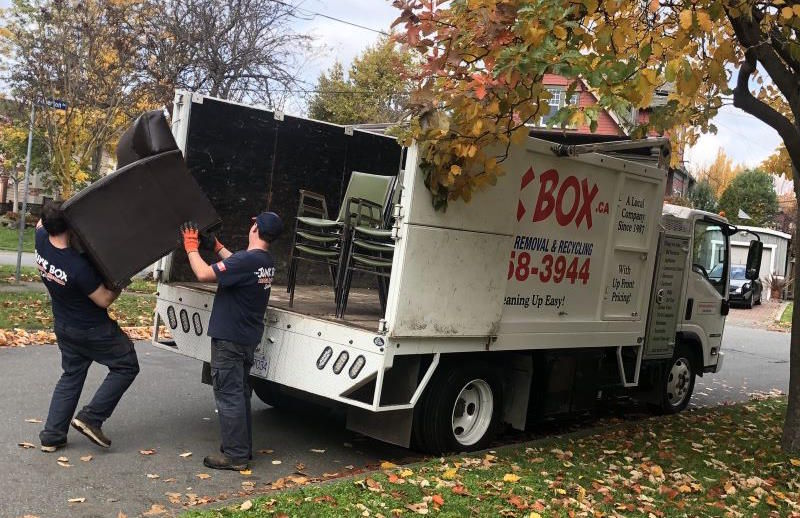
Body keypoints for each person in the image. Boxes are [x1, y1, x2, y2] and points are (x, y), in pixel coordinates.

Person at [180, 212, 282, 470]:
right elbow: (236, 264)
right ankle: (241, 449)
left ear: (255, 229)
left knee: (229, 394)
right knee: (239, 393)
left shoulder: (247, 261)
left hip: (230, 338)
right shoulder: (265, 261)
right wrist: (216, 247)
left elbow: (204, 274)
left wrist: (191, 248)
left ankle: (235, 455)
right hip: (246, 337)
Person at [36, 201, 140, 452]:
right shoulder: (77, 267)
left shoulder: (41, 240)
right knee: (126, 365)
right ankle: (91, 418)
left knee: (72, 374)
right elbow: (103, 299)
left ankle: (52, 436)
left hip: (64, 325)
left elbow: (41, 222)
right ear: (71, 225)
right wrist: (119, 283)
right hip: (92, 329)